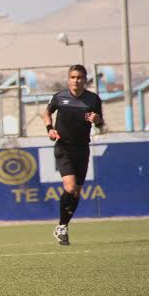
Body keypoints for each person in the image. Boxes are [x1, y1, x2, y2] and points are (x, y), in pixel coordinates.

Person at [43, 64, 105, 246]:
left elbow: (100, 123)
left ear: (85, 80)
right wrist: (50, 129)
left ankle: (63, 226)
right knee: (70, 188)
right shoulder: (59, 97)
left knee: (76, 192)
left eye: (79, 77)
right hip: (63, 147)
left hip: (82, 149)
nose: (76, 80)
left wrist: (97, 120)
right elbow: (46, 113)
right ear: (68, 79)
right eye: (73, 77)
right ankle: (62, 227)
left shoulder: (93, 100)